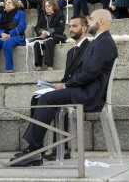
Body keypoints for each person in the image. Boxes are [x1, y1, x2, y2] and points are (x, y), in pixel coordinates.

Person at [13, 10, 118, 166]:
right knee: (43, 96)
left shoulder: (104, 42)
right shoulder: (99, 41)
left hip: (90, 94)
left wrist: (66, 85)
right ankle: (35, 149)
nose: (89, 22)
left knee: (47, 98)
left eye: (91, 19)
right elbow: (86, 71)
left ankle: (35, 150)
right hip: (85, 90)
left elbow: (90, 72)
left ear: (101, 21)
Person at [29, 15, 90, 161]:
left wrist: (64, 85)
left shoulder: (89, 48)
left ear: (84, 28)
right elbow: (67, 76)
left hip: (81, 91)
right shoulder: (70, 52)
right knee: (36, 97)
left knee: (48, 98)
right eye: (70, 26)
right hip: (70, 88)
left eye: (75, 26)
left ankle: (53, 146)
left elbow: (85, 75)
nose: (71, 29)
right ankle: (38, 146)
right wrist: (56, 85)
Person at [0, 0, 27, 73]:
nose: (7, 5)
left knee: (7, 42)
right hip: (3, 36)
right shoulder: (2, 15)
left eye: (9, 3)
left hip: (16, 36)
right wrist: (2, 34)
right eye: (5, 4)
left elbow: (22, 27)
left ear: (15, 4)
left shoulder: (20, 13)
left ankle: (9, 68)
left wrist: (9, 34)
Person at [32, 0, 67, 71]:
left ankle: (50, 65)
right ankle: (39, 65)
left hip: (56, 36)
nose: (47, 8)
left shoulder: (60, 15)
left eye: (49, 6)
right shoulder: (43, 15)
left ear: (53, 6)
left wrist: (48, 33)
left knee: (49, 42)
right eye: (45, 6)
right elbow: (37, 27)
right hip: (44, 36)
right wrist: (42, 31)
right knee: (37, 43)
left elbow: (60, 28)